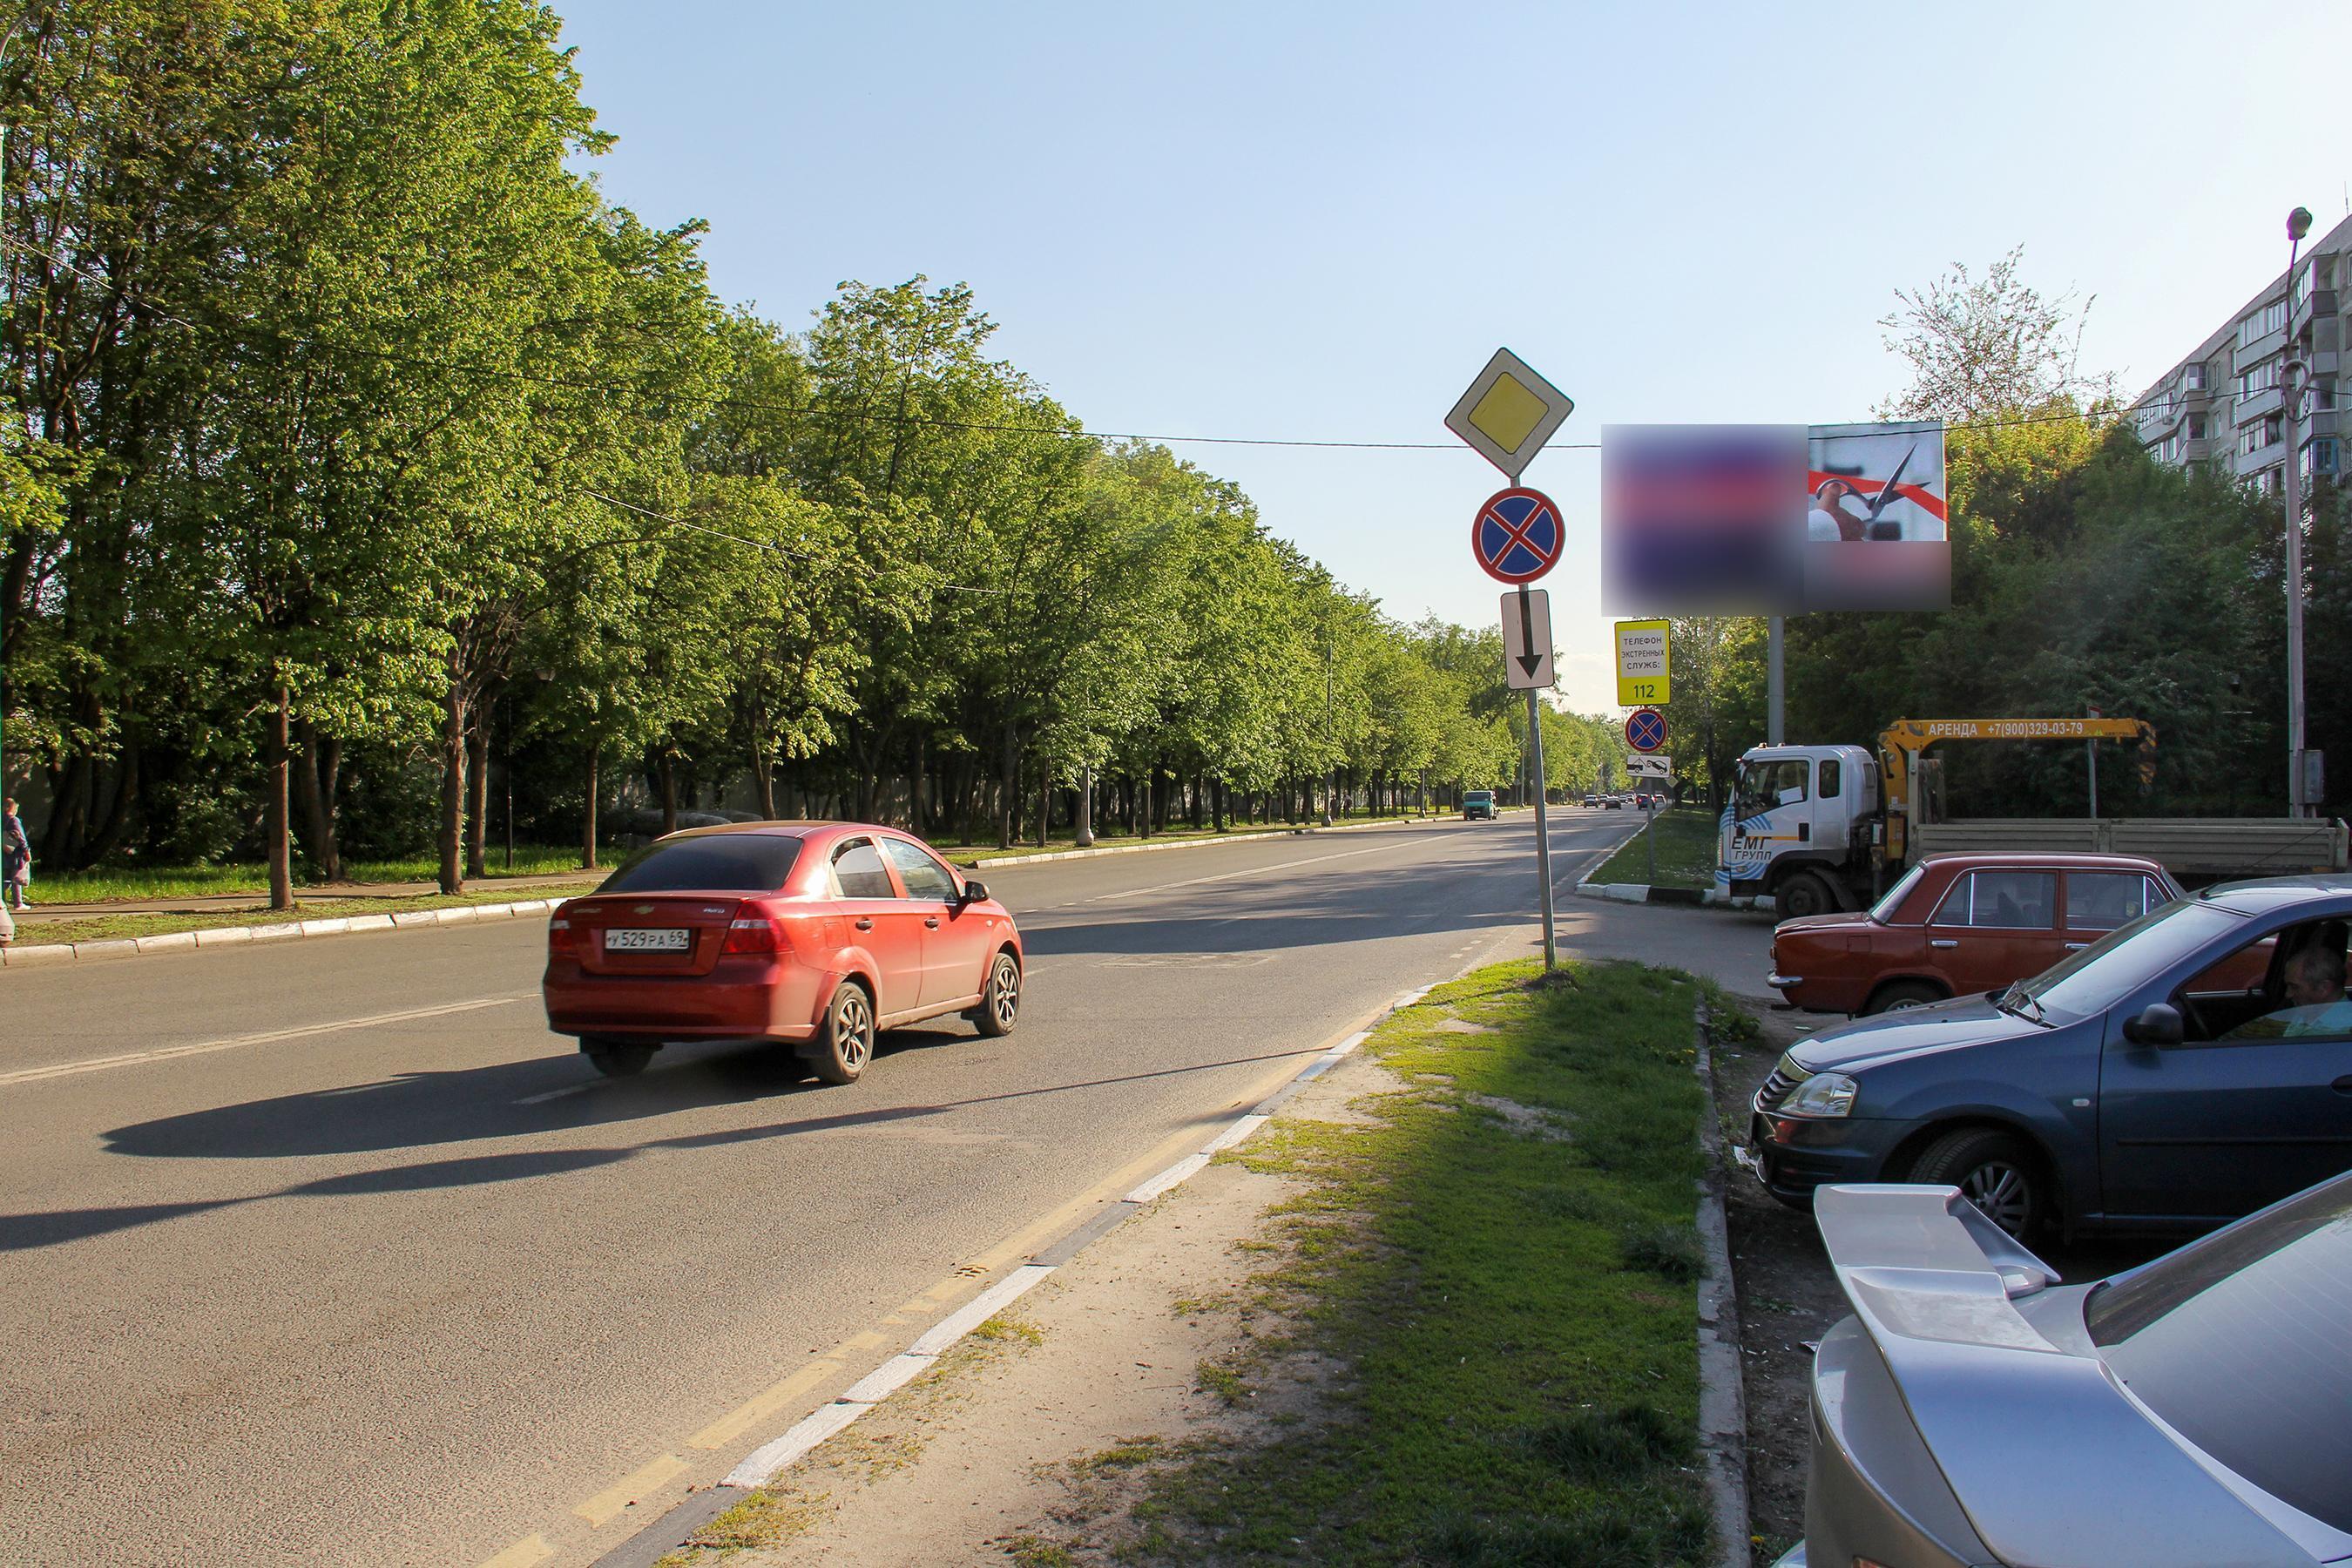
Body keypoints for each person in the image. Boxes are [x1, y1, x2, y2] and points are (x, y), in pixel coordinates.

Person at [2, 799, 27, 912]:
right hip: (15, 854)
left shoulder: (2, 819)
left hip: (4, 852)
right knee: (16, 878)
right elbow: (20, 837)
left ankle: (2, 900)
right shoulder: (14, 820)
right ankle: (18, 903)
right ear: (12, 808)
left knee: (5, 879)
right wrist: (26, 850)